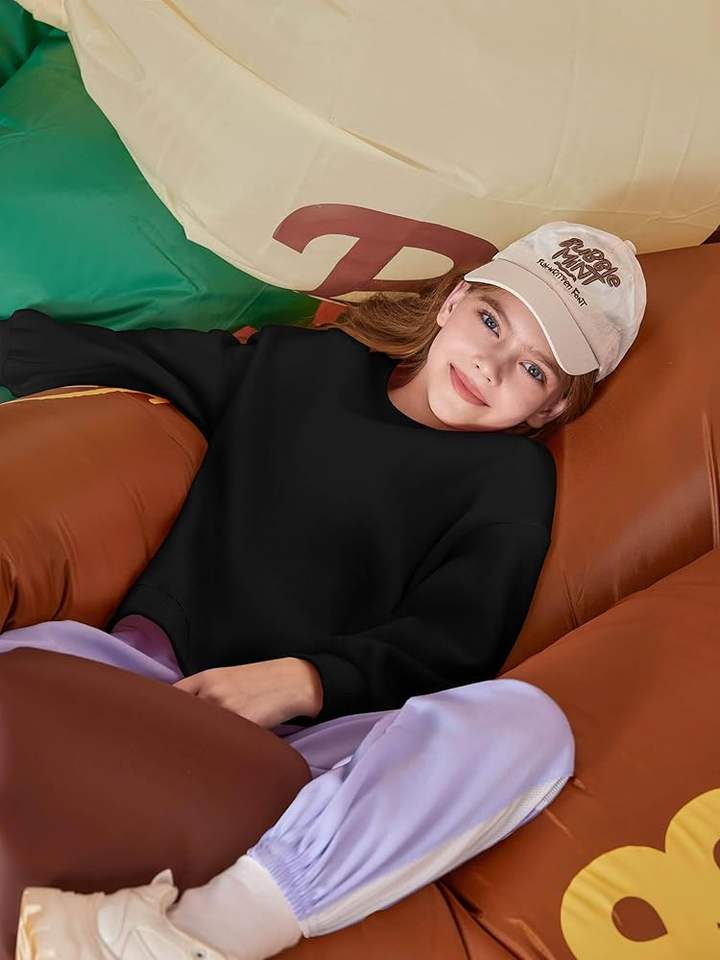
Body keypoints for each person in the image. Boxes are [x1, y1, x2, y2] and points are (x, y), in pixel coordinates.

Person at [4, 222, 646, 960]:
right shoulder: (304, 365)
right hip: (147, 678)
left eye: (533, 369)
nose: (490, 365)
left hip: (309, 747)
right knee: (28, 660)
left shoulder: (511, 480)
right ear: (453, 302)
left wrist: (301, 681)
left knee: (532, 728)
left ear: (550, 409)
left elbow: (457, 642)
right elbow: (133, 360)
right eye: (491, 321)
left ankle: (203, 931)